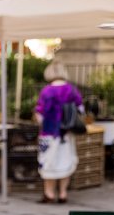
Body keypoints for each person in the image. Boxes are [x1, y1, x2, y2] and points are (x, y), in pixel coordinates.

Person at [35, 62, 84, 204]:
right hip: (67, 133)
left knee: (48, 162)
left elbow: (40, 114)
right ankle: (63, 193)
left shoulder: (47, 91)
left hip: (49, 132)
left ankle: (49, 193)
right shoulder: (72, 90)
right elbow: (81, 109)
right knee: (65, 161)